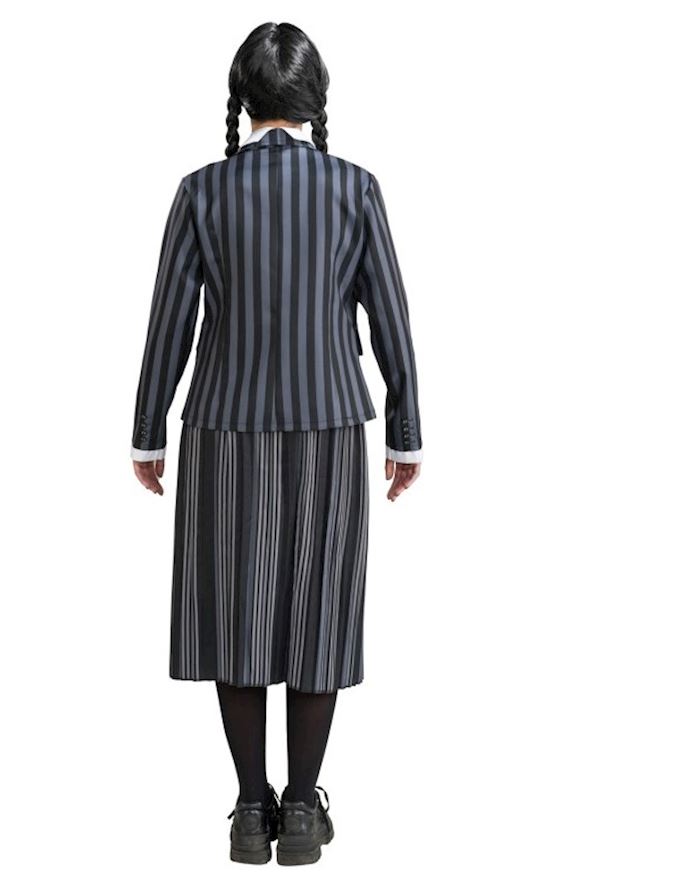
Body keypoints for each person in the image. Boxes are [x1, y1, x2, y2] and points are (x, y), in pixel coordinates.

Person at [130, 21, 423, 866]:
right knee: (319, 616)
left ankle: (249, 810)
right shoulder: (355, 188)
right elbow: (391, 314)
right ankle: (302, 808)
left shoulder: (201, 191)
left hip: (223, 429)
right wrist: (405, 431)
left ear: (243, 98)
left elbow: (168, 324)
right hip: (330, 426)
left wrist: (148, 432)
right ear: (314, 98)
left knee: (238, 617)